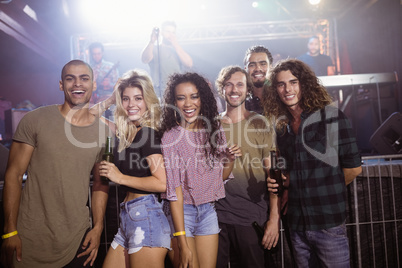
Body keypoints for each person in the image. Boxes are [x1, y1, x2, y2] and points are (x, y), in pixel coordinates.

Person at [1, 60, 111, 267]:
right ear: (61, 85)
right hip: (29, 239)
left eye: (84, 78)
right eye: (70, 79)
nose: (77, 84)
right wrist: (9, 231)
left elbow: (100, 183)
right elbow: (13, 175)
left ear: (93, 85)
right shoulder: (35, 120)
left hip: (78, 240)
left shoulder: (103, 133)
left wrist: (97, 228)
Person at [263, 59, 362, 267]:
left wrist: (320, 189)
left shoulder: (332, 118)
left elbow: (353, 168)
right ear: (275, 90)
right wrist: (285, 184)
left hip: (328, 223)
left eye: (293, 82)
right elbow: (289, 171)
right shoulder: (283, 129)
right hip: (297, 223)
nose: (287, 89)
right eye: (281, 84)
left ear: (305, 84)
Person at [160, 72, 241, 268]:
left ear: (202, 98)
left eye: (194, 96)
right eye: (181, 98)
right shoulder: (170, 138)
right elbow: (174, 193)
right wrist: (181, 239)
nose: (188, 104)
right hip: (181, 215)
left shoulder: (214, 130)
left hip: (208, 212)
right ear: (173, 102)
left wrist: (229, 159)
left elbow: (218, 178)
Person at [99, 69, 171, 267]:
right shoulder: (127, 133)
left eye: (138, 98)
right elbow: (87, 116)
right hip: (128, 217)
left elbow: (162, 182)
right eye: (126, 99)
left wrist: (119, 177)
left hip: (146, 217)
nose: (131, 104)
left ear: (147, 101)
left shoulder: (147, 133)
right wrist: (111, 99)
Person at [214, 66, 280, 268]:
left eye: (240, 84)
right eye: (229, 84)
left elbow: (273, 176)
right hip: (216, 218)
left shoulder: (260, 123)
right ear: (222, 89)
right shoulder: (212, 125)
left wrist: (274, 219)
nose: (234, 89)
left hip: (251, 217)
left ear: (248, 89)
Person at [141, 21, 193, 98]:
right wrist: (152, 41)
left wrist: (176, 45)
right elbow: (145, 59)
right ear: (161, 32)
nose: (171, 35)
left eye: (173, 32)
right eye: (168, 32)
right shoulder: (155, 49)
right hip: (158, 92)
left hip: (175, 91)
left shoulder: (178, 50)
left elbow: (189, 64)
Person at [244, 45, 273, 114]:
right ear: (246, 69)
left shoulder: (281, 96)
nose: (257, 69)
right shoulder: (241, 100)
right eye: (252, 65)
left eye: (263, 64)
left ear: (270, 67)